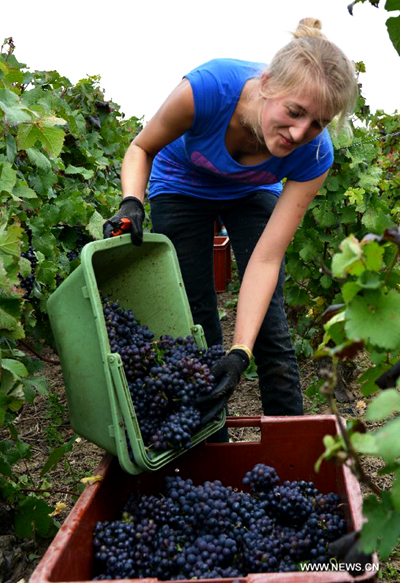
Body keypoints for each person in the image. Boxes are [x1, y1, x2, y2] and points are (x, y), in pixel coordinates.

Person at [103, 18, 358, 424]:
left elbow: (266, 259)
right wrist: (131, 200)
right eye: (294, 112)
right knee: (194, 319)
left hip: (250, 192)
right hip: (180, 184)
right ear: (268, 83)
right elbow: (141, 147)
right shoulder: (208, 89)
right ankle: (206, 444)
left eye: (318, 123)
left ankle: (288, 448)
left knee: (270, 328)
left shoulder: (314, 156)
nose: (299, 132)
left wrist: (240, 352)